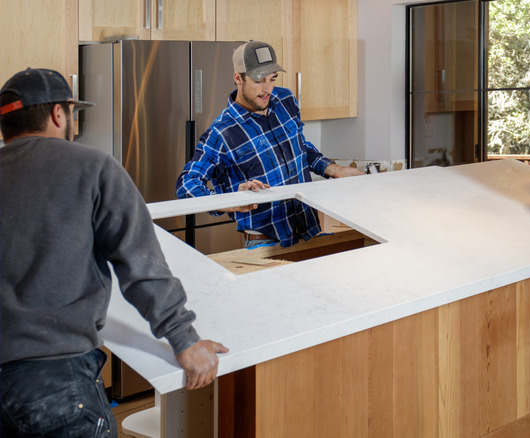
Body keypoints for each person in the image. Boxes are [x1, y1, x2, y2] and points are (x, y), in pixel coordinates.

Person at [0, 68, 228, 437]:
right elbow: (140, 263)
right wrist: (184, 338)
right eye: (71, 113)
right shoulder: (91, 167)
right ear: (59, 114)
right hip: (55, 378)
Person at [176, 41, 363, 249]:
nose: (267, 89)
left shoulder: (285, 100)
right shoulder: (222, 132)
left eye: (272, 79)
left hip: (308, 230)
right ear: (238, 78)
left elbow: (299, 146)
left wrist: (334, 170)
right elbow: (187, 184)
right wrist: (226, 201)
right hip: (265, 244)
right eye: (259, 80)